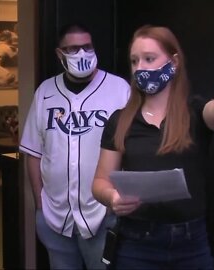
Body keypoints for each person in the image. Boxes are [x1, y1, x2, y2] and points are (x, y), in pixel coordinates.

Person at [91, 25, 214, 269]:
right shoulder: (119, 121)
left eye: (149, 59)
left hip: (191, 245)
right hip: (136, 244)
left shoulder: (195, 113)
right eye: (134, 61)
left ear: (173, 62)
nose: (140, 68)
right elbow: (99, 182)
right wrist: (112, 197)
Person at [19, 23, 131, 269]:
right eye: (72, 49)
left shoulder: (119, 89)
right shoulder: (45, 92)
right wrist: (40, 203)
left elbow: (133, 150)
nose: (81, 54)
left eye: (86, 47)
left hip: (102, 214)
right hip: (55, 215)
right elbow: (33, 153)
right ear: (60, 54)